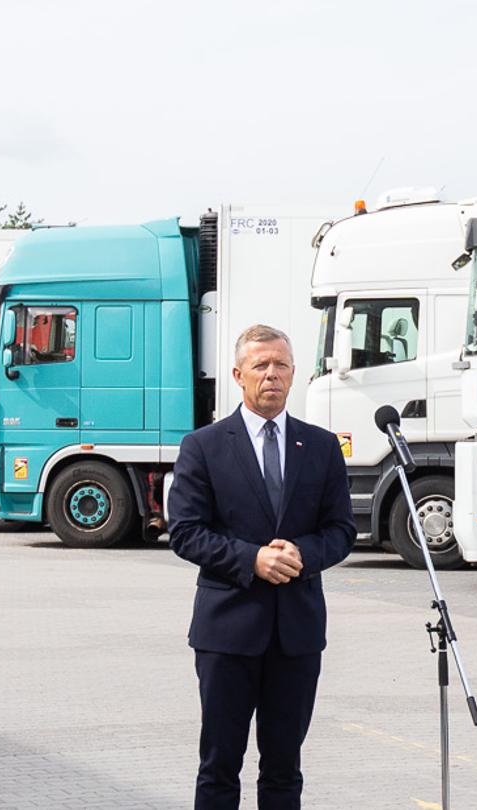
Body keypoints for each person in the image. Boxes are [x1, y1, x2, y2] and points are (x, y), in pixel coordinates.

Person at [168, 323, 355, 810]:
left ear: (294, 374)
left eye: (281, 365)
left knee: (283, 769)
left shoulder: (320, 446)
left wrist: (300, 555)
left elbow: (341, 530)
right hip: (227, 633)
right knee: (219, 767)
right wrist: (252, 559)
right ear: (238, 374)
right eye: (260, 365)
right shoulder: (204, 446)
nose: (272, 374)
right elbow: (185, 531)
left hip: (296, 635)